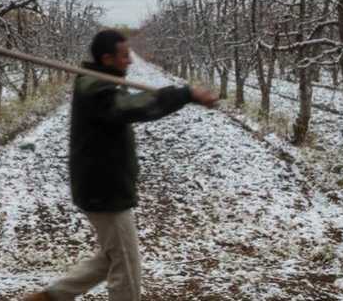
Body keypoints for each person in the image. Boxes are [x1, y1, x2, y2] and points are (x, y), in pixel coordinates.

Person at [23, 29, 218, 301]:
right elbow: (132, 106)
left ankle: (51, 297)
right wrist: (185, 94)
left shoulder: (102, 83)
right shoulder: (96, 89)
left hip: (103, 186)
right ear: (106, 59)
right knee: (126, 268)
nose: (130, 61)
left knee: (112, 256)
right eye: (124, 56)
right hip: (105, 190)